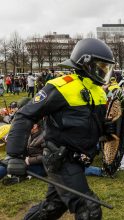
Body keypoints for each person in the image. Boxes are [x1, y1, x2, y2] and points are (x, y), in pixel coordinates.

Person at [5, 38, 115, 219]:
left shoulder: (99, 92)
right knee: (88, 209)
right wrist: (15, 155)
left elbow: (88, 123)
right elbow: (24, 115)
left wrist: (104, 128)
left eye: (106, 66)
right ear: (85, 63)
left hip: (79, 160)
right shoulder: (60, 87)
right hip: (60, 159)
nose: (104, 71)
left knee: (53, 207)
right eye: (101, 65)